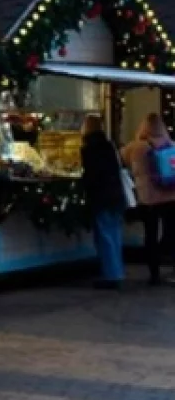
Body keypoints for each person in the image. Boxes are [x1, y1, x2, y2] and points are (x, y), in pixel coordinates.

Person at [122, 113, 175, 285]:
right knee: (171, 233)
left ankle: (154, 273)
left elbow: (122, 160)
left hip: (148, 198)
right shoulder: (171, 145)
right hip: (170, 195)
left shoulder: (136, 147)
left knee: (150, 234)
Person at [81, 114, 127, 290]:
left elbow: (91, 176)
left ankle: (111, 274)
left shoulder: (89, 149)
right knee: (114, 235)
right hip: (116, 196)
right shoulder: (108, 146)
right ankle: (117, 271)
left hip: (101, 197)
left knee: (104, 236)